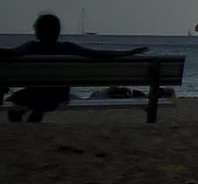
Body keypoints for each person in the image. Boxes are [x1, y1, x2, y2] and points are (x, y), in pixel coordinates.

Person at [2, 14, 150, 122]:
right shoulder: (68, 47)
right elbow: (97, 54)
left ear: (38, 31)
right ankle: (35, 120)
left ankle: (28, 127)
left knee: (14, 103)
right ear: (57, 32)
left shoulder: (31, 46)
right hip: (58, 97)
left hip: (34, 96)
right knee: (42, 97)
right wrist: (128, 52)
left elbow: (11, 53)